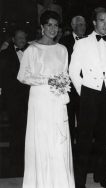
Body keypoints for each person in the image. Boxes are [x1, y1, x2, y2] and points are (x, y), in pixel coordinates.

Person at [17, 10, 75, 188]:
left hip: (57, 101)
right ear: (42, 27)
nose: (52, 29)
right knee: (42, 140)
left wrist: (62, 84)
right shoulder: (32, 49)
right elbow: (22, 76)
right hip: (40, 101)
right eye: (49, 25)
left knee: (58, 141)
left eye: (56, 25)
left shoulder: (62, 50)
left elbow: (65, 74)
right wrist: (47, 80)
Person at [69, 7, 106, 188]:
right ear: (94, 22)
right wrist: (85, 94)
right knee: (84, 139)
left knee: (104, 137)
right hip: (89, 93)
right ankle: (80, 181)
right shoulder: (82, 43)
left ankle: (102, 176)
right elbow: (73, 71)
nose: (105, 24)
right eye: (101, 20)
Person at [0, 28, 30, 176]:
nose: (22, 41)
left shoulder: (30, 52)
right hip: (13, 99)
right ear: (13, 39)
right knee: (15, 129)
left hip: (29, 98)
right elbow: (4, 79)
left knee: (27, 128)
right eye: (19, 38)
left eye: (24, 38)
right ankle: (15, 159)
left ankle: (26, 157)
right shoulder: (4, 54)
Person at [60, 15, 86, 150]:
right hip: (69, 87)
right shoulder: (64, 41)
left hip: (85, 86)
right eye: (80, 24)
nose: (83, 27)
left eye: (84, 24)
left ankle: (83, 147)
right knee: (69, 118)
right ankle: (69, 147)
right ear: (73, 26)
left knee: (84, 119)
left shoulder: (89, 40)